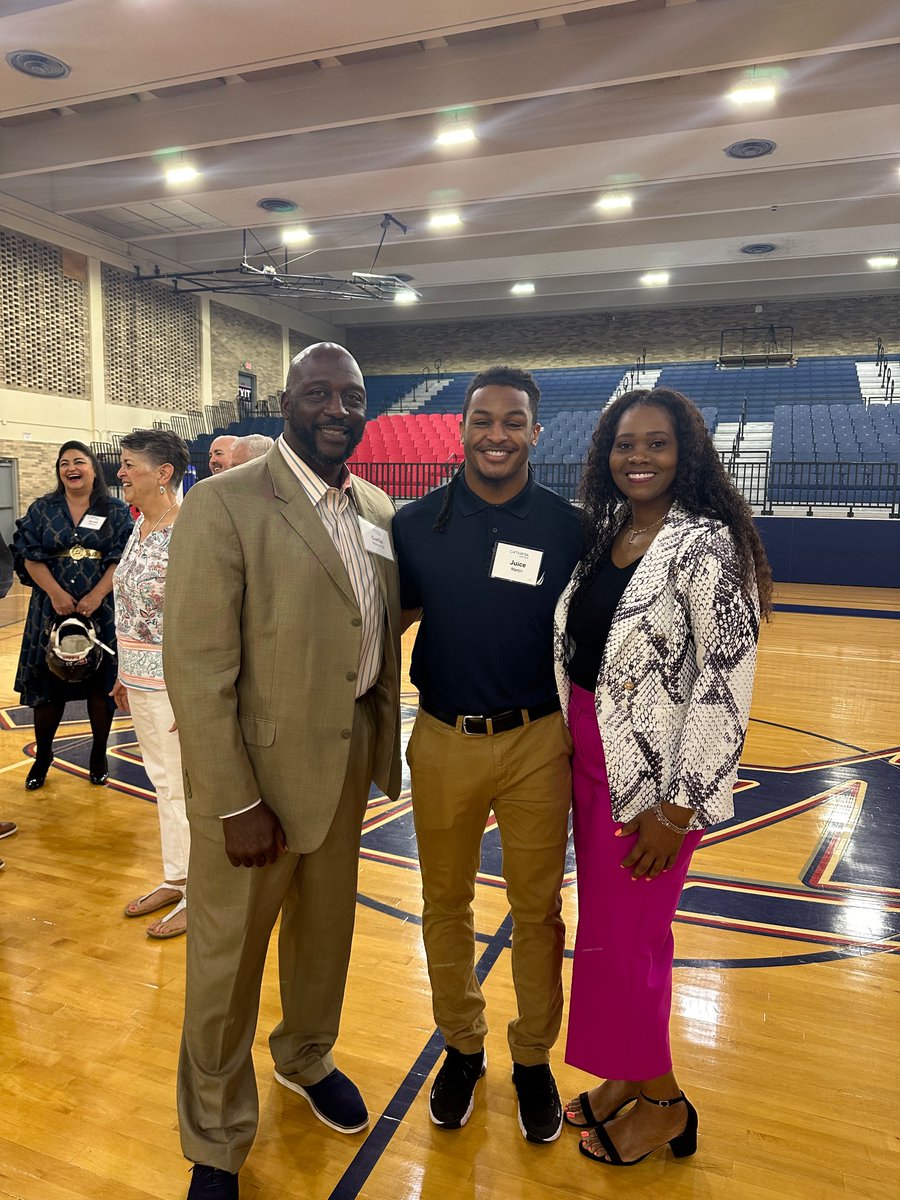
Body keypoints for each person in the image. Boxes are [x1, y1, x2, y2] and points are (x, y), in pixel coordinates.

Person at [163, 342, 402, 1199]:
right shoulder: (225, 502)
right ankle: (215, 1137)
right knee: (225, 966)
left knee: (324, 938)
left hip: (344, 760)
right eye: (319, 393)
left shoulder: (376, 505)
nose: (338, 409)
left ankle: (305, 1055)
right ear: (286, 403)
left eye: (353, 395)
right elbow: (196, 667)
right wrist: (233, 801)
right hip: (253, 781)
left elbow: (371, 616)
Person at [554, 387, 771, 1167]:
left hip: (655, 787)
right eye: (624, 443)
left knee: (632, 942)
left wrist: (678, 809)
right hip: (592, 763)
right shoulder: (611, 531)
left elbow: (726, 683)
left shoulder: (708, 545)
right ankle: (625, 1071)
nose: (638, 457)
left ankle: (665, 1105)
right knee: (609, 936)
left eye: (656, 443)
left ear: (687, 454)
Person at [392, 365, 583, 1144]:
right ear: (462, 427)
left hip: (539, 740)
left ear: (535, 432)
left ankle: (533, 1058)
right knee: (444, 905)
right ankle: (462, 1047)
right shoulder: (415, 524)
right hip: (443, 738)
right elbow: (384, 621)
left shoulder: (571, 528)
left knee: (538, 911)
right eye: (482, 420)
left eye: (512, 422)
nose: (496, 434)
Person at [11, 441, 133, 790]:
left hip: (101, 609)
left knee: (100, 687)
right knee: (47, 688)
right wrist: (55, 593)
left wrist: (96, 595)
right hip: (49, 610)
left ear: (94, 469)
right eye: (64, 463)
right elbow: (29, 554)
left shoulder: (115, 510)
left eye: (79, 461)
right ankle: (43, 756)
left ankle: (98, 754)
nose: (70, 468)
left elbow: (122, 556)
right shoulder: (42, 508)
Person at [111, 429, 191, 940]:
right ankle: (176, 876)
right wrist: (122, 673)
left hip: (174, 683)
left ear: (163, 473)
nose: (119, 472)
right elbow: (130, 606)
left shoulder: (187, 529)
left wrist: (192, 691)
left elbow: (201, 614)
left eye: (129, 464)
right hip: (137, 678)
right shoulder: (139, 524)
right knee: (163, 784)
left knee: (183, 788)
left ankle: (200, 891)